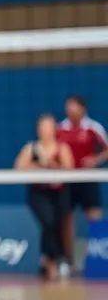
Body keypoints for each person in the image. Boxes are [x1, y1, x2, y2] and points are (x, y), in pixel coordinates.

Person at [15, 113, 74, 280]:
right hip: (38, 192)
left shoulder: (61, 148)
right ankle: (53, 260)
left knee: (57, 223)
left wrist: (54, 165)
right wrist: (37, 165)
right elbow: (18, 168)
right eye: (42, 126)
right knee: (47, 220)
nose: (45, 130)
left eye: (49, 126)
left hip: (59, 192)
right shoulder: (31, 148)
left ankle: (50, 258)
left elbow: (70, 169)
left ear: (54, 129)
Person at [58, 95, 107, 276]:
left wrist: (95, 160)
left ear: (82, 109)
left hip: (88, 179)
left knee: (94, 216)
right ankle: (69, 261)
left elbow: (106, 150)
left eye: (73, 106)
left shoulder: (93, 128)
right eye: (67, 106)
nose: (70, 110)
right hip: (68, 181)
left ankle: (99, 257)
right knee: (66, 219)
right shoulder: (61, 128)